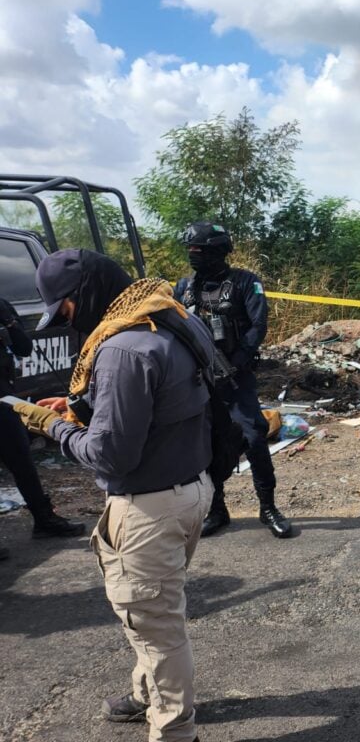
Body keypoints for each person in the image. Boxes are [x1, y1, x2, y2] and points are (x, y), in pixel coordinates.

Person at [16, 248, 214, 742]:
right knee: (155, 610)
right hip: (189, 488)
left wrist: (53, 425)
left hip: (148, 507)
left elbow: (109, 457)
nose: (65, 320)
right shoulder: (169, 317)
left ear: (83, 296)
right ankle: (147, 693)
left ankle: (174, 731)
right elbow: (159, 406)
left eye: (63, 308)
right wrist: (85, 407)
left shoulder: (123, 348)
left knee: (155, 626)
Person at [173, 221, 292, 539]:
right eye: (191, 250)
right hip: (199, 381)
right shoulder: (184, 287)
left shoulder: (245, 282)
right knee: (206, 445)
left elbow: (258, 325)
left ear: (218, 252)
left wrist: (237, 361)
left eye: (199, 250)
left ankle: (268, 508)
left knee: (254, 438)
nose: (194, 256)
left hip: (236, 378)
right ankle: (217, 510)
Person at [0, 298, 85, 558]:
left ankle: (44, 519)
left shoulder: (3, 305)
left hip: (3, 399)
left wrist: (9, 321)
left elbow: (24, 348)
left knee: (22, 460)